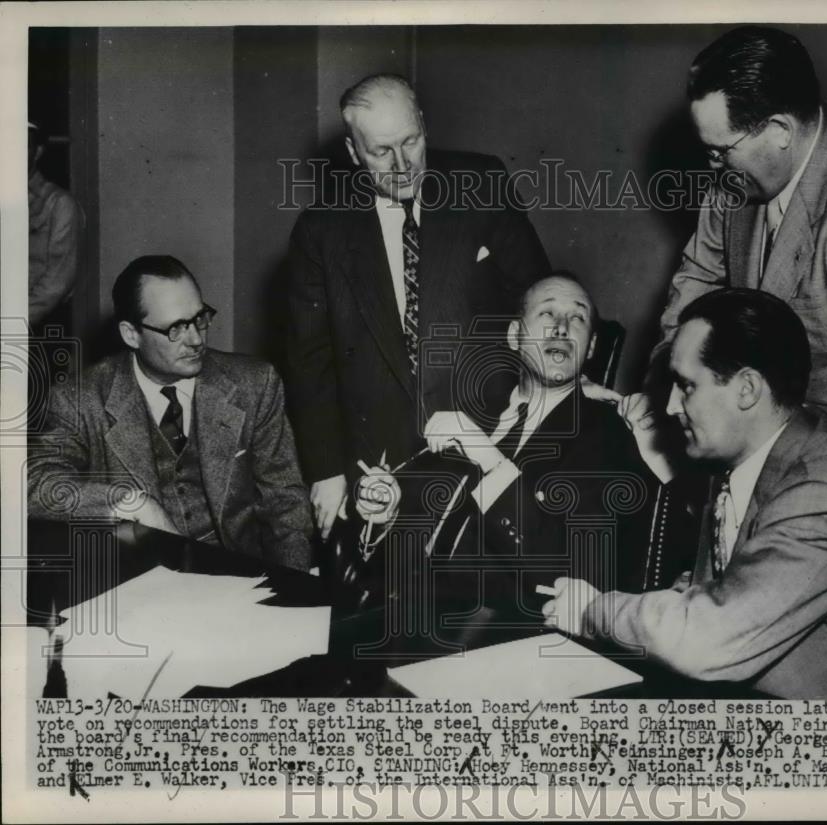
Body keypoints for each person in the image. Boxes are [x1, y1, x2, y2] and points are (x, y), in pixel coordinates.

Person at [543, 288, 827, 701]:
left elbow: (706, 642)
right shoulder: (750, 457)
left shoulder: (826, 491)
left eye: (687, 386)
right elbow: (724, 586)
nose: (670, 406)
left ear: (747, 389)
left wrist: (592, 611)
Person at [640, 26, 827, 509]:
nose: (712, 168)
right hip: (757, 450)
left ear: (780, 131)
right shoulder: (739, 169)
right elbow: (696, 281)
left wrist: (818, 536)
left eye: (721, 152)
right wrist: (671, 387)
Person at [285, 73, 550, 543]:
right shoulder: (320, 230)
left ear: (424, 126)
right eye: (381, 151)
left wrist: (574, 383)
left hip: (488, 435)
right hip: (379, 459)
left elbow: (539, 297)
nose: (403, 164)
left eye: (411, 141)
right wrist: (326, 470)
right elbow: (311, 362)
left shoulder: (480, 182)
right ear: (352, 152)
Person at [354, 274, 685, 613]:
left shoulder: (605, 437)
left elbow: (565, 576)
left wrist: (491, 461)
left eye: (578, 317)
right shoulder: (478, 416)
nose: (561, 328)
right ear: (514, 336)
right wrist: (389, 512)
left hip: (497, 637)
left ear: (593, 348)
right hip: (401, 612)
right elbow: (420, 539)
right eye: (547, 314)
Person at [27, 255, 314, 571]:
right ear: (131, 334)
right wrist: (132, 502)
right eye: (176, 328)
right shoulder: (79, 399)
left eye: (200, 318)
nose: (195, 340)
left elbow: (285, 505)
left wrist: (296, 589)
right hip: (138, 583)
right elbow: (35, 485)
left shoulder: (254, 383)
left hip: (241, 576)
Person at [28, 122, 84, 330]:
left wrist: (11, 322)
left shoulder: (58, 204)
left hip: (37, 326)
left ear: (37, 152)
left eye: (22, 146)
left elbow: (56, 284)